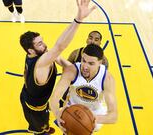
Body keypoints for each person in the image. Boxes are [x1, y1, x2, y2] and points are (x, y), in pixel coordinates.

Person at [19, 0, 96, 134]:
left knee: (45, 120)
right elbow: (60, 47)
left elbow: (59, 56)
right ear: (30, 51)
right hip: (35, 106)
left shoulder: (40, 54)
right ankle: (41, 130)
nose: (44, 45)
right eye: (39, 44)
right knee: (40, 128)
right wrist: (79, 20)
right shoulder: (41, 63)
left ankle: (43, 127)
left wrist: (72, 69)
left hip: (29, 93)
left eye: (42, 41)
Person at [50, 44, 118, 134]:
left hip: (95, 115)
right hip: (72, 113)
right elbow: (54, 99)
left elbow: (113, 116)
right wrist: (57, 114)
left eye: (91, 63)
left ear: (100, 63)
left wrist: (91, 119)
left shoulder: (107, 79)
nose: (85, 66)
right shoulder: (71, 71)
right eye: (84, 60)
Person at [59, 31, 108, 107]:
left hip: (88, 90)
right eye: (90, 38)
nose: (92, 41)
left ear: (100, 42)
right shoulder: (76, 53)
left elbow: (102, 79)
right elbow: (65, 69)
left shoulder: (104, 61)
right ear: (87, 39)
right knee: (62, 103)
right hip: (71, 87)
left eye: (96, 39)